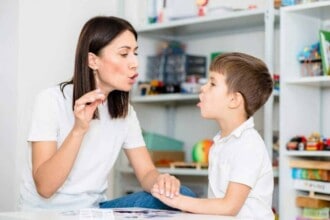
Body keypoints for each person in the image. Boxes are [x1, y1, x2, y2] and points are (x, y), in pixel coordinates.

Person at [18, 16, 195, 211]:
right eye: (124, 54)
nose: (134, 63)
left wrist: (161, 181)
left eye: (135, 53)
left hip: (94, 211)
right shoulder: (51, 101)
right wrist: (79, 129)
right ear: (93, 60)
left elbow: (146, 174)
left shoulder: (125, 112)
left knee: (183, 196)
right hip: (46, 214)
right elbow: (45, 187)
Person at [151, 52, 275, 219]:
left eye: (212, 83)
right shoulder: (221, 143)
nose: (203, 87)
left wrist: (179, 202)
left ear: (234, 100)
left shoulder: (248, 145)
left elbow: (229, 206)